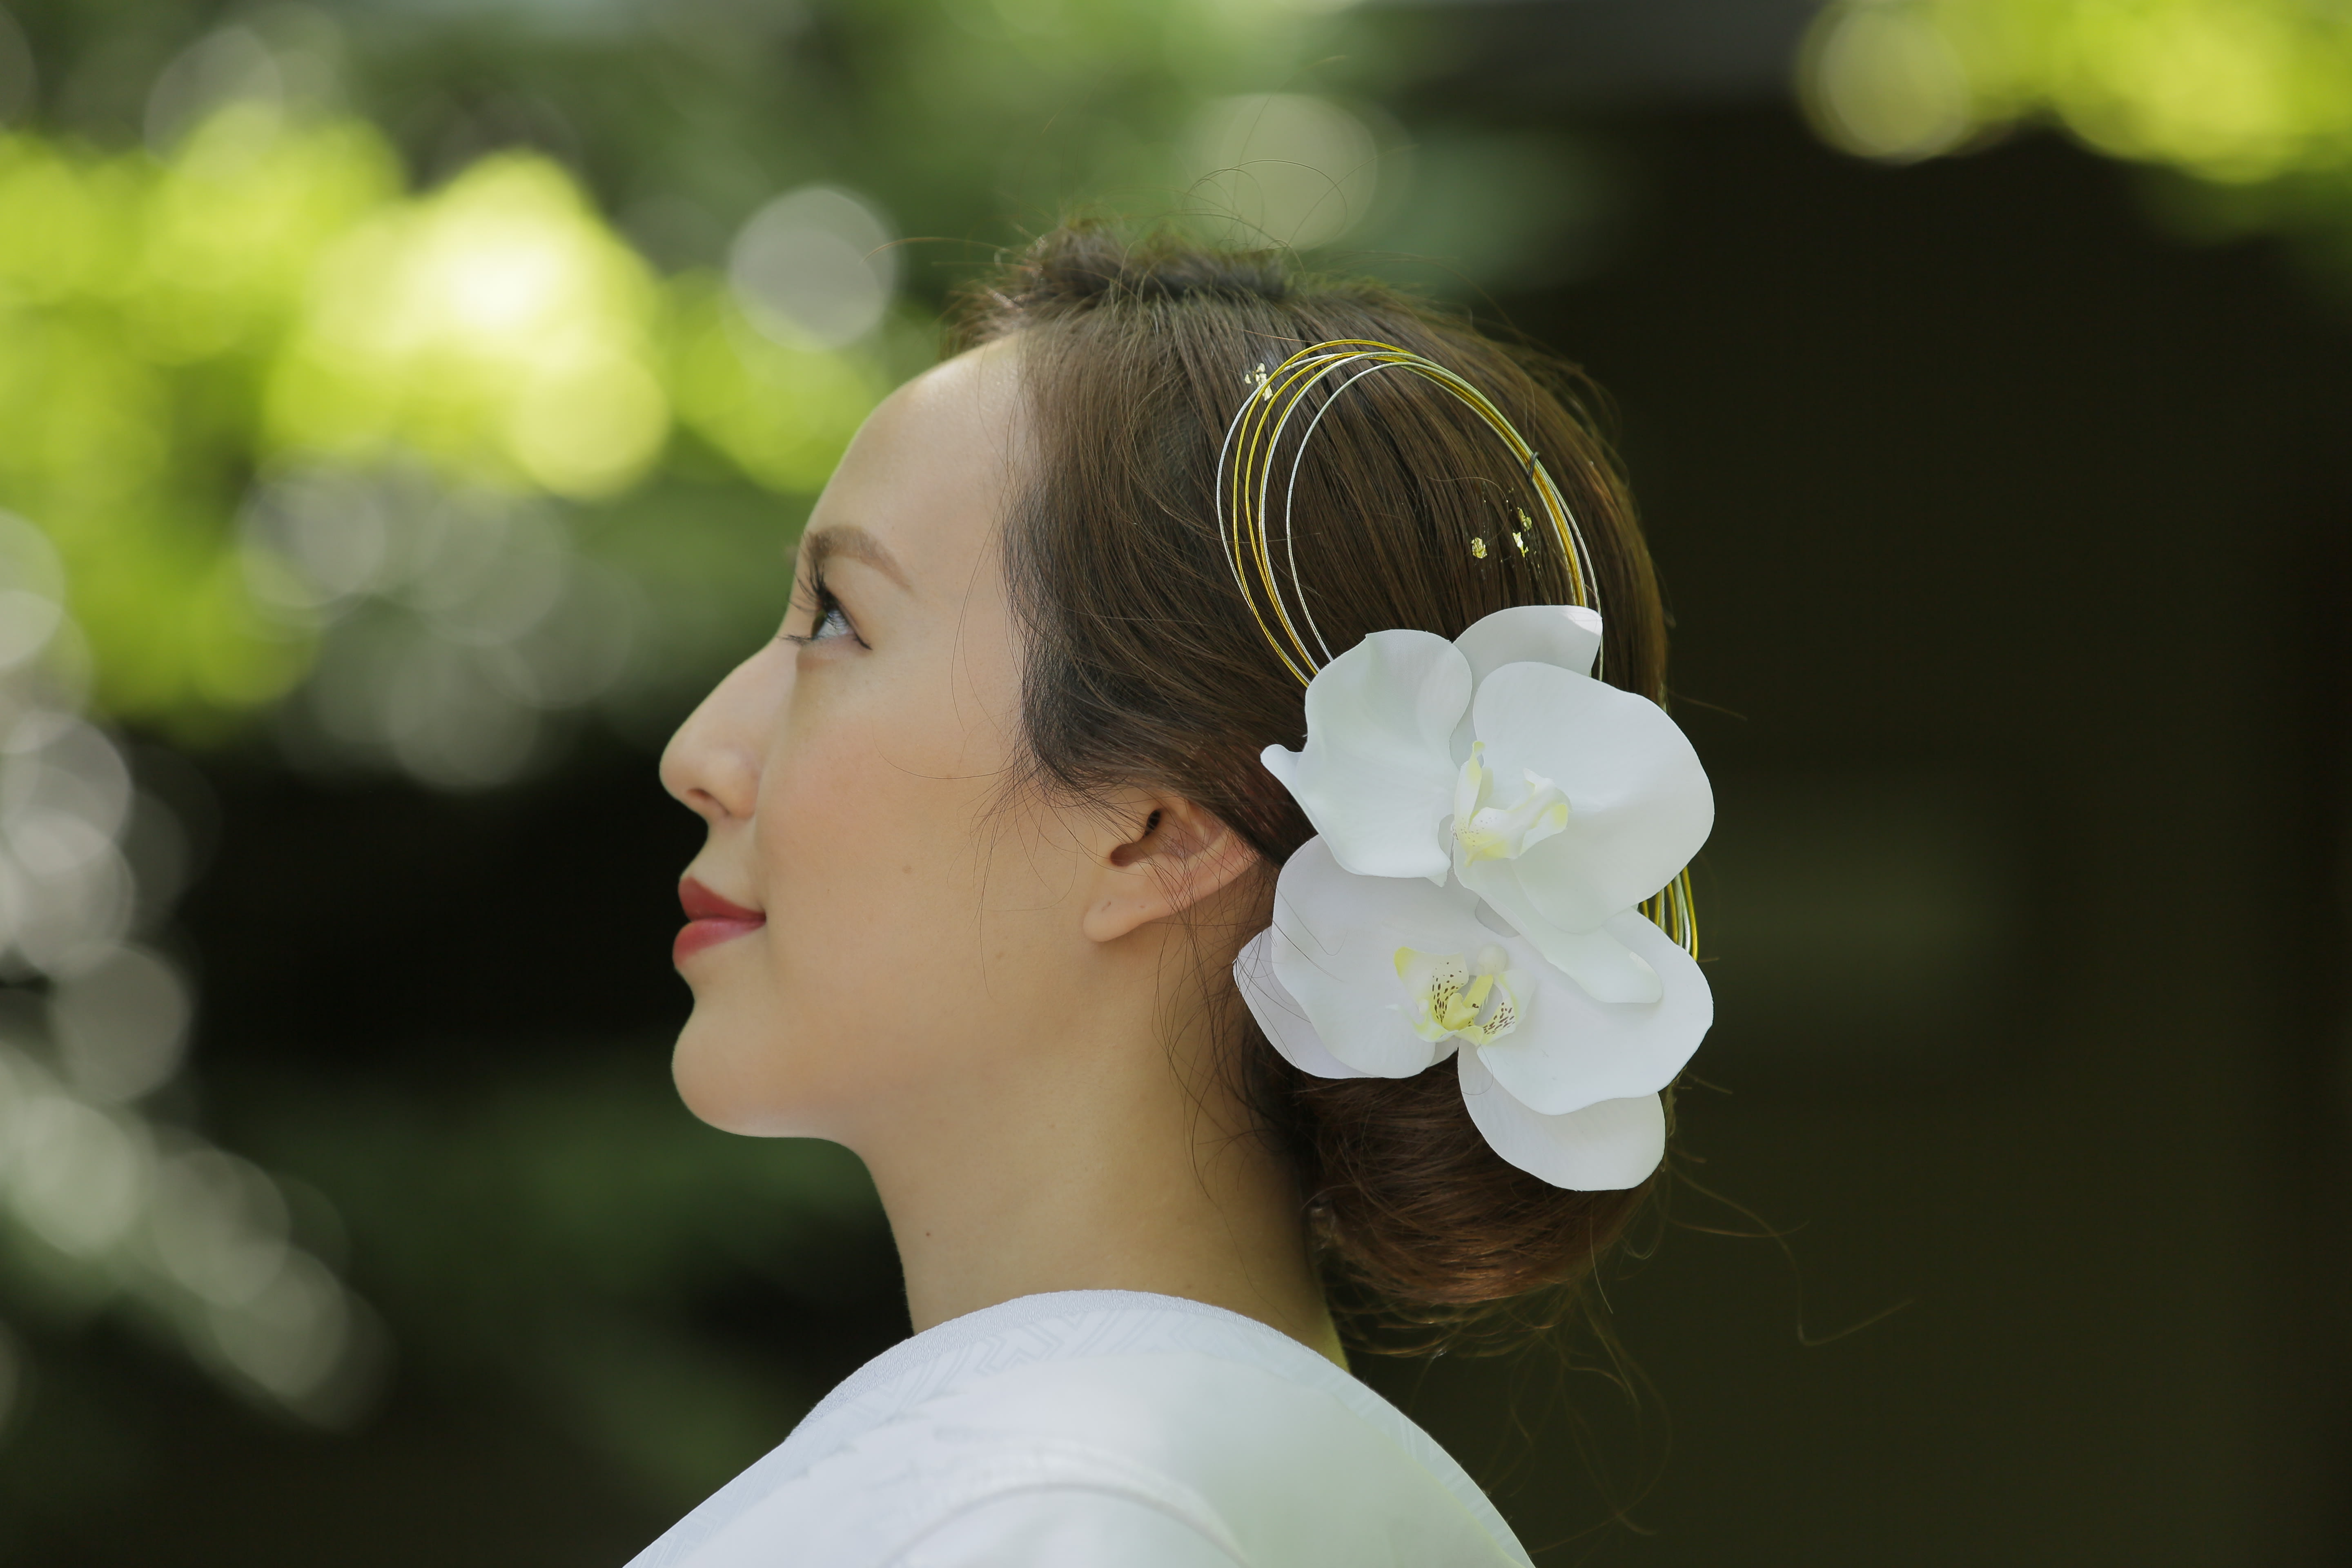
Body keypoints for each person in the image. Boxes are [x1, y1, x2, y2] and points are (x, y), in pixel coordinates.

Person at [639, 225, 1714, 1567]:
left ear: (1159, 832)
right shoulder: (1150, 1486)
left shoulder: (1050, 1509)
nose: (700, 753)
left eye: (838, 621)